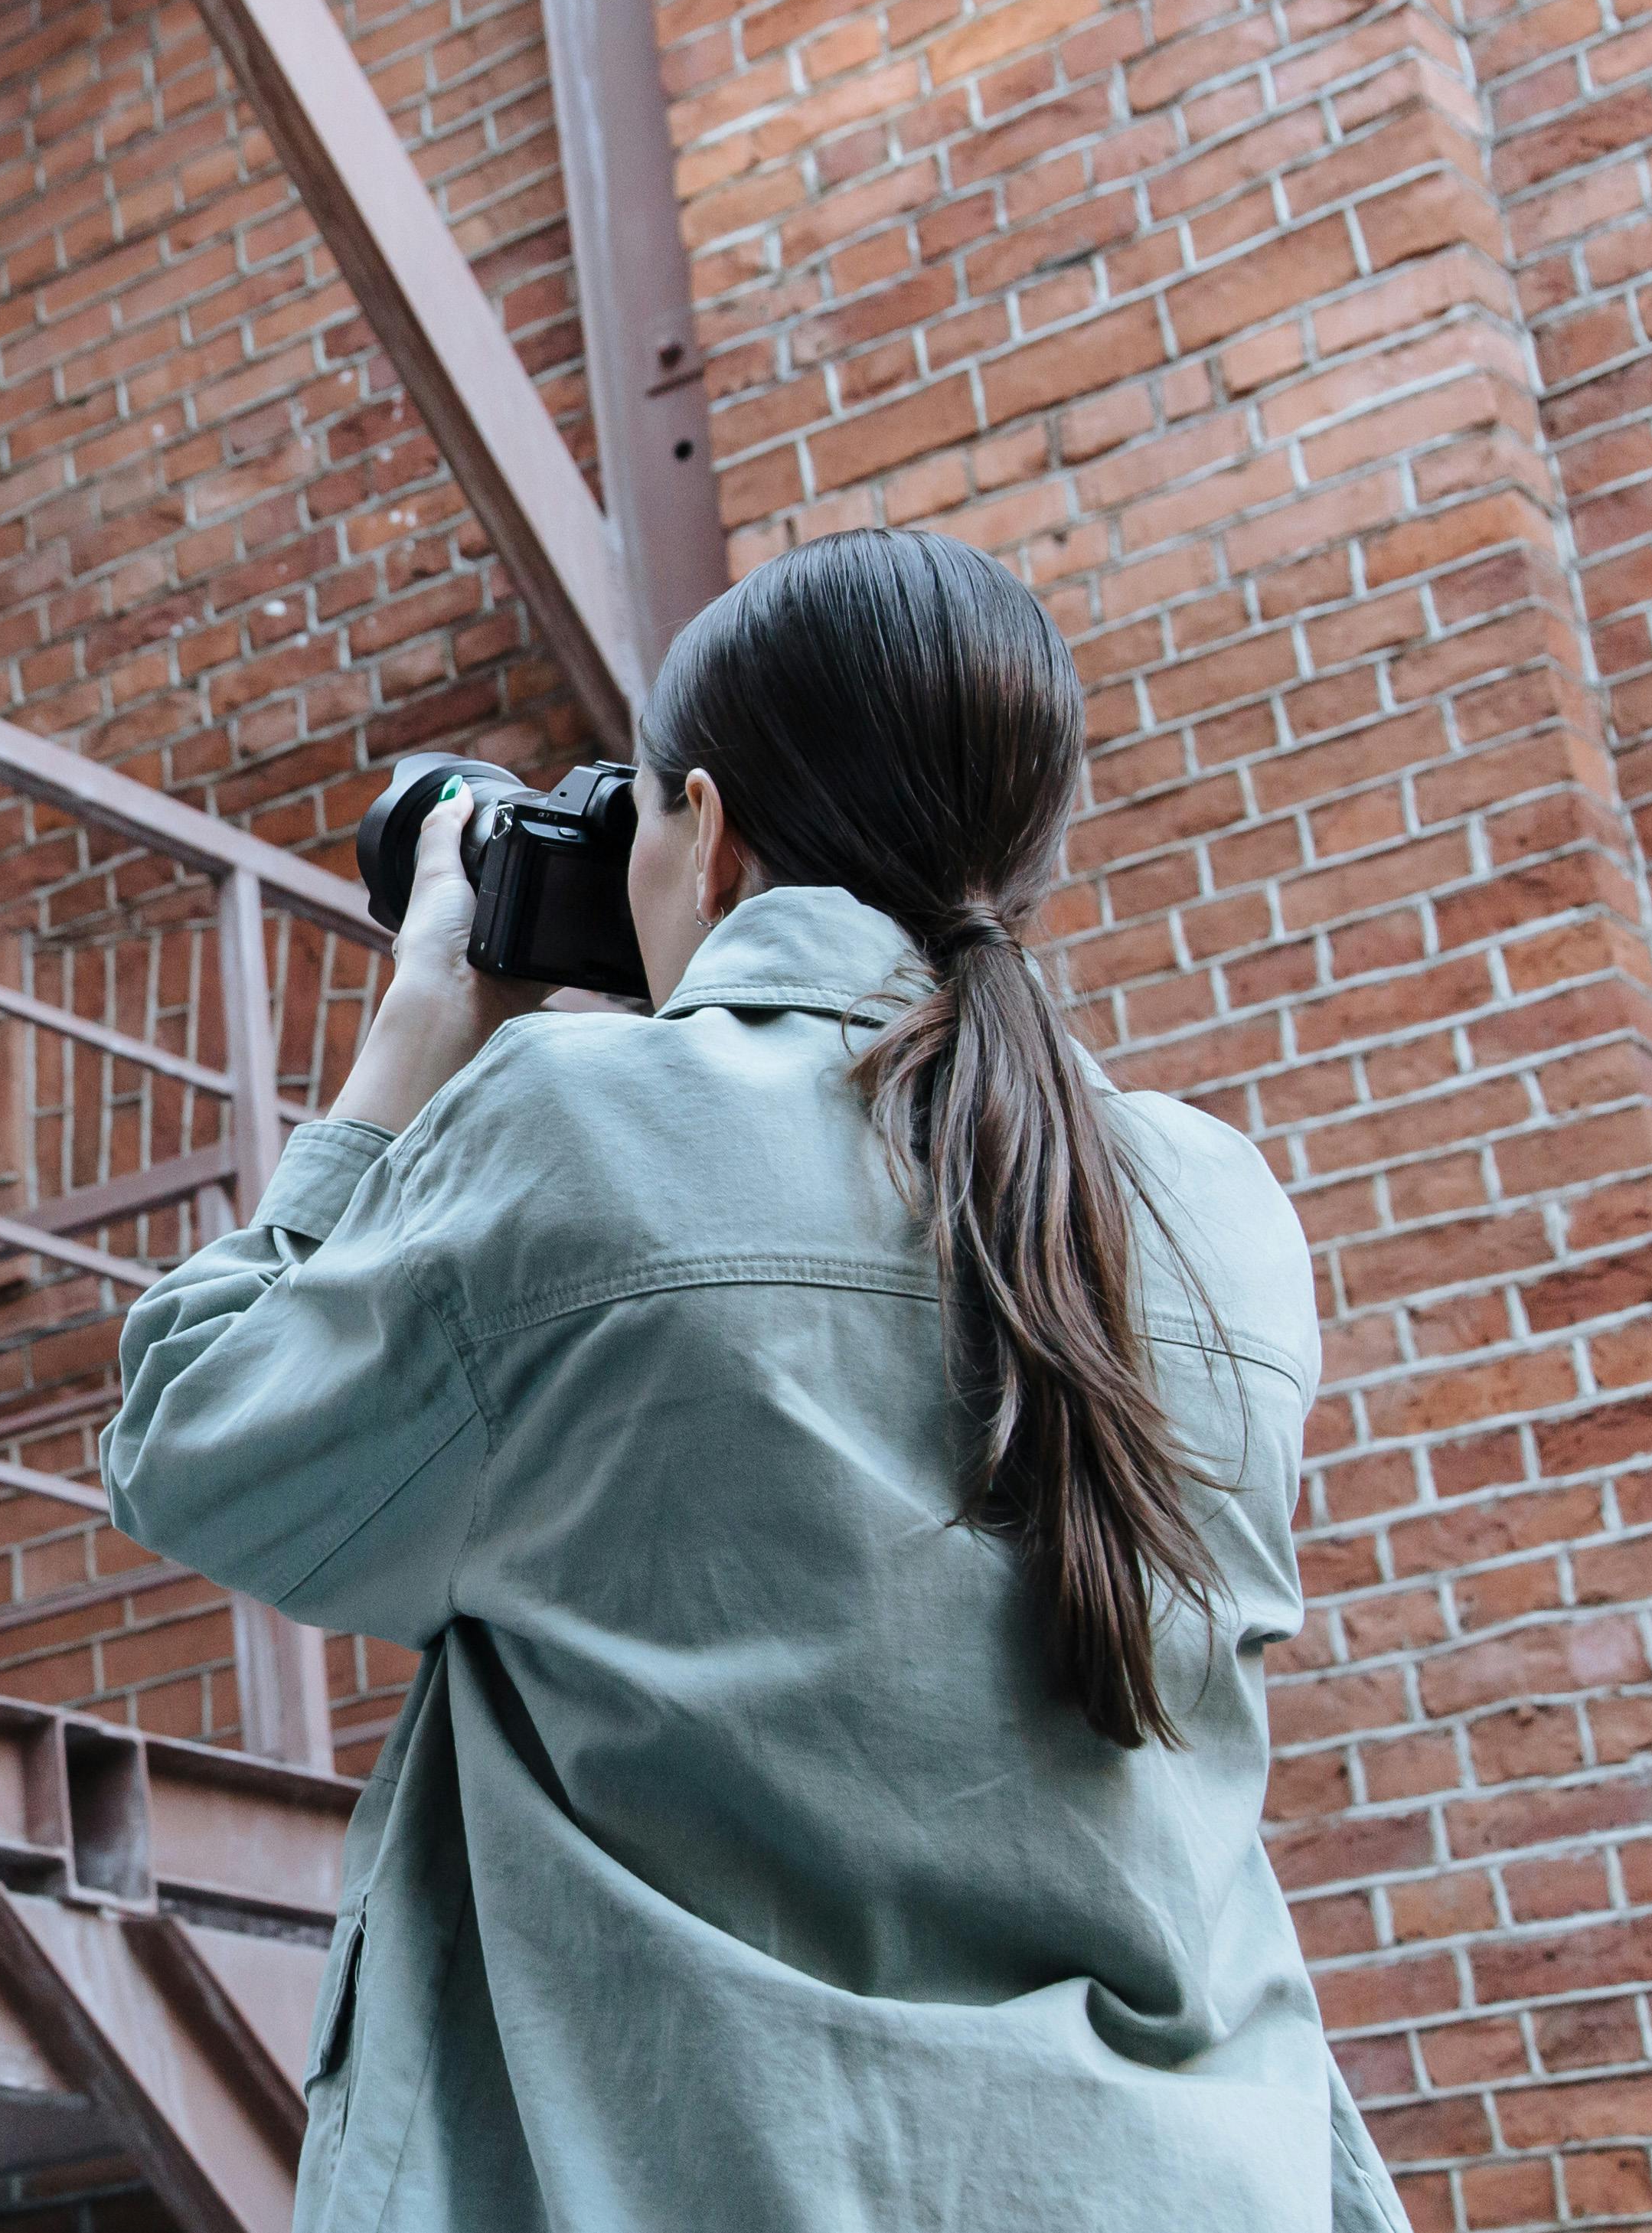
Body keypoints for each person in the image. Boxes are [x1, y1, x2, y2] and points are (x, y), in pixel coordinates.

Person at [109, 530, 1401, 2230]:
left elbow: (195, 1437)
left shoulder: (575, 1126)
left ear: (704, 833)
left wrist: (420, 1035)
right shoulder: (1217, 1209)